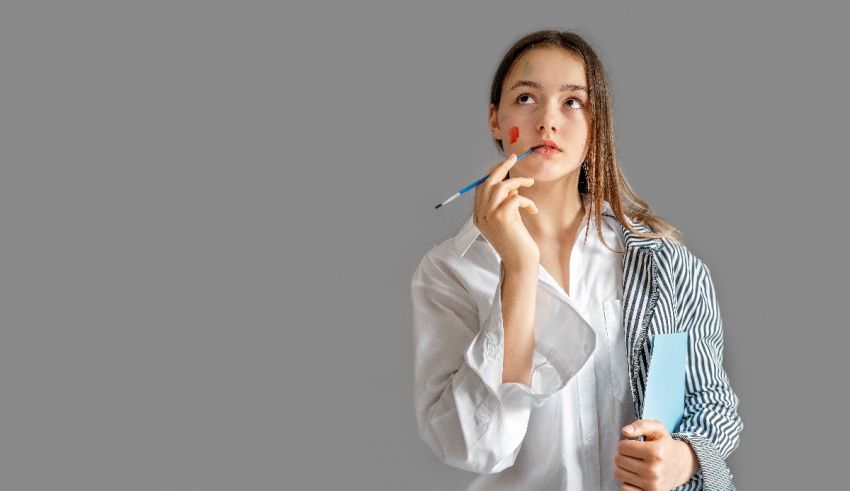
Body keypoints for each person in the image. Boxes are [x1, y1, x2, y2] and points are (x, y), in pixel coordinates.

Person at [410, 30, 743, 490]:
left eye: (572, 102)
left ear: (596, 123)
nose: (548, 120)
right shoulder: (450, 271)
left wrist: (683, 458)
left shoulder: (661, 263)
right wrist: (520, 272)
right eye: (526, 98)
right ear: (494, 118)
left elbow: (713, 406)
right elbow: (474, 446)